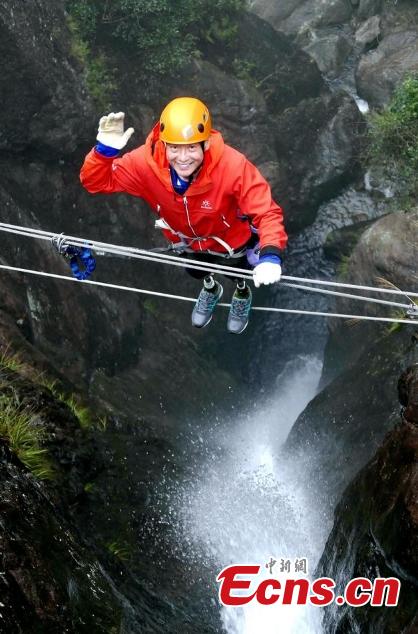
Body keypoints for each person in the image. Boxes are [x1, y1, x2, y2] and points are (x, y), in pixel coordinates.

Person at [80, 97, 287, 334]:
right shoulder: (144, 165)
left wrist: (270, 254)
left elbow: (266, 211)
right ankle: (211, 289)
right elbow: (96, 182)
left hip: (230, 241)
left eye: (191, 147)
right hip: (187, 241)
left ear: (206, 143)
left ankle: (241, 291)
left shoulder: (232, 166)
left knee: (238, 271)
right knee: (196, 271)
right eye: (174, 148)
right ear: (163, 143)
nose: (183, 158)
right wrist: (104, 151)